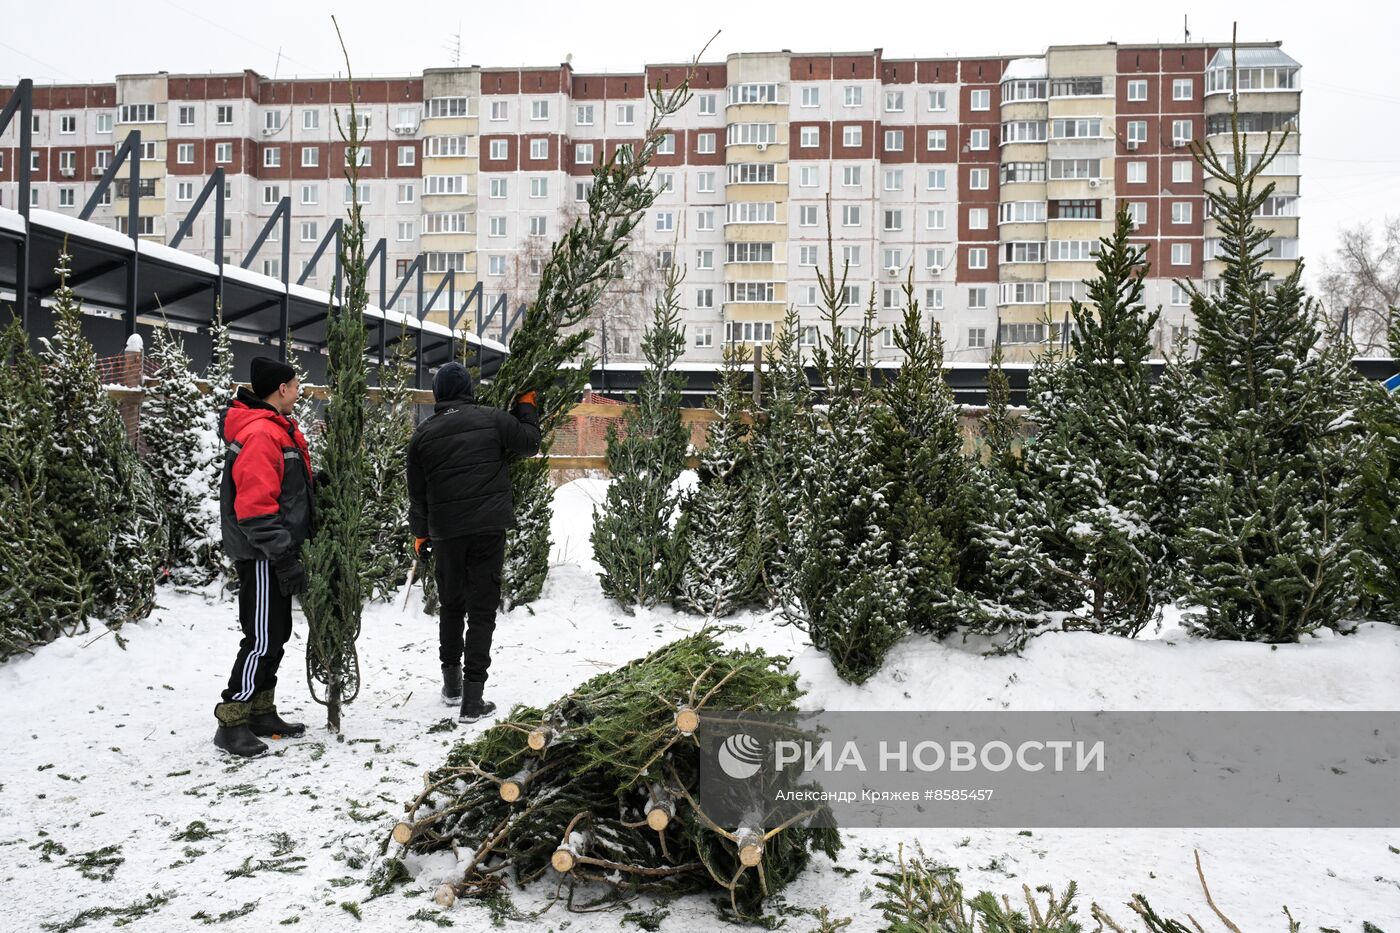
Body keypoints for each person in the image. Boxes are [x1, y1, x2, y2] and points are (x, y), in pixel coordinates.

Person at [407, 362, 540, 723]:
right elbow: (529, 444)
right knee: (481, 611)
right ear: (468, 389)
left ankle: (451, 686)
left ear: (438, 394)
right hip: (487, 528)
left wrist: (420, 534)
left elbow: (417, 496)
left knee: (451, 604)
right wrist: (526, 407)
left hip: (445, 532)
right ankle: (473, 699)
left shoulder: (422, 435)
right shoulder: (493, 419)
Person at [213, 356, 315, 758]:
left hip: (274, 551)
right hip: (261, 554)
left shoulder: (277, 430)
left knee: (278, 633)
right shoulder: (261, 434)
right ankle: (232, 719)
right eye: (294, 385)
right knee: (260, 637)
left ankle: (260, 710)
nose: (298, 391)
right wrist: (281, 554)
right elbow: (254, 507)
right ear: (281, 389)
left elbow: (283, 490)